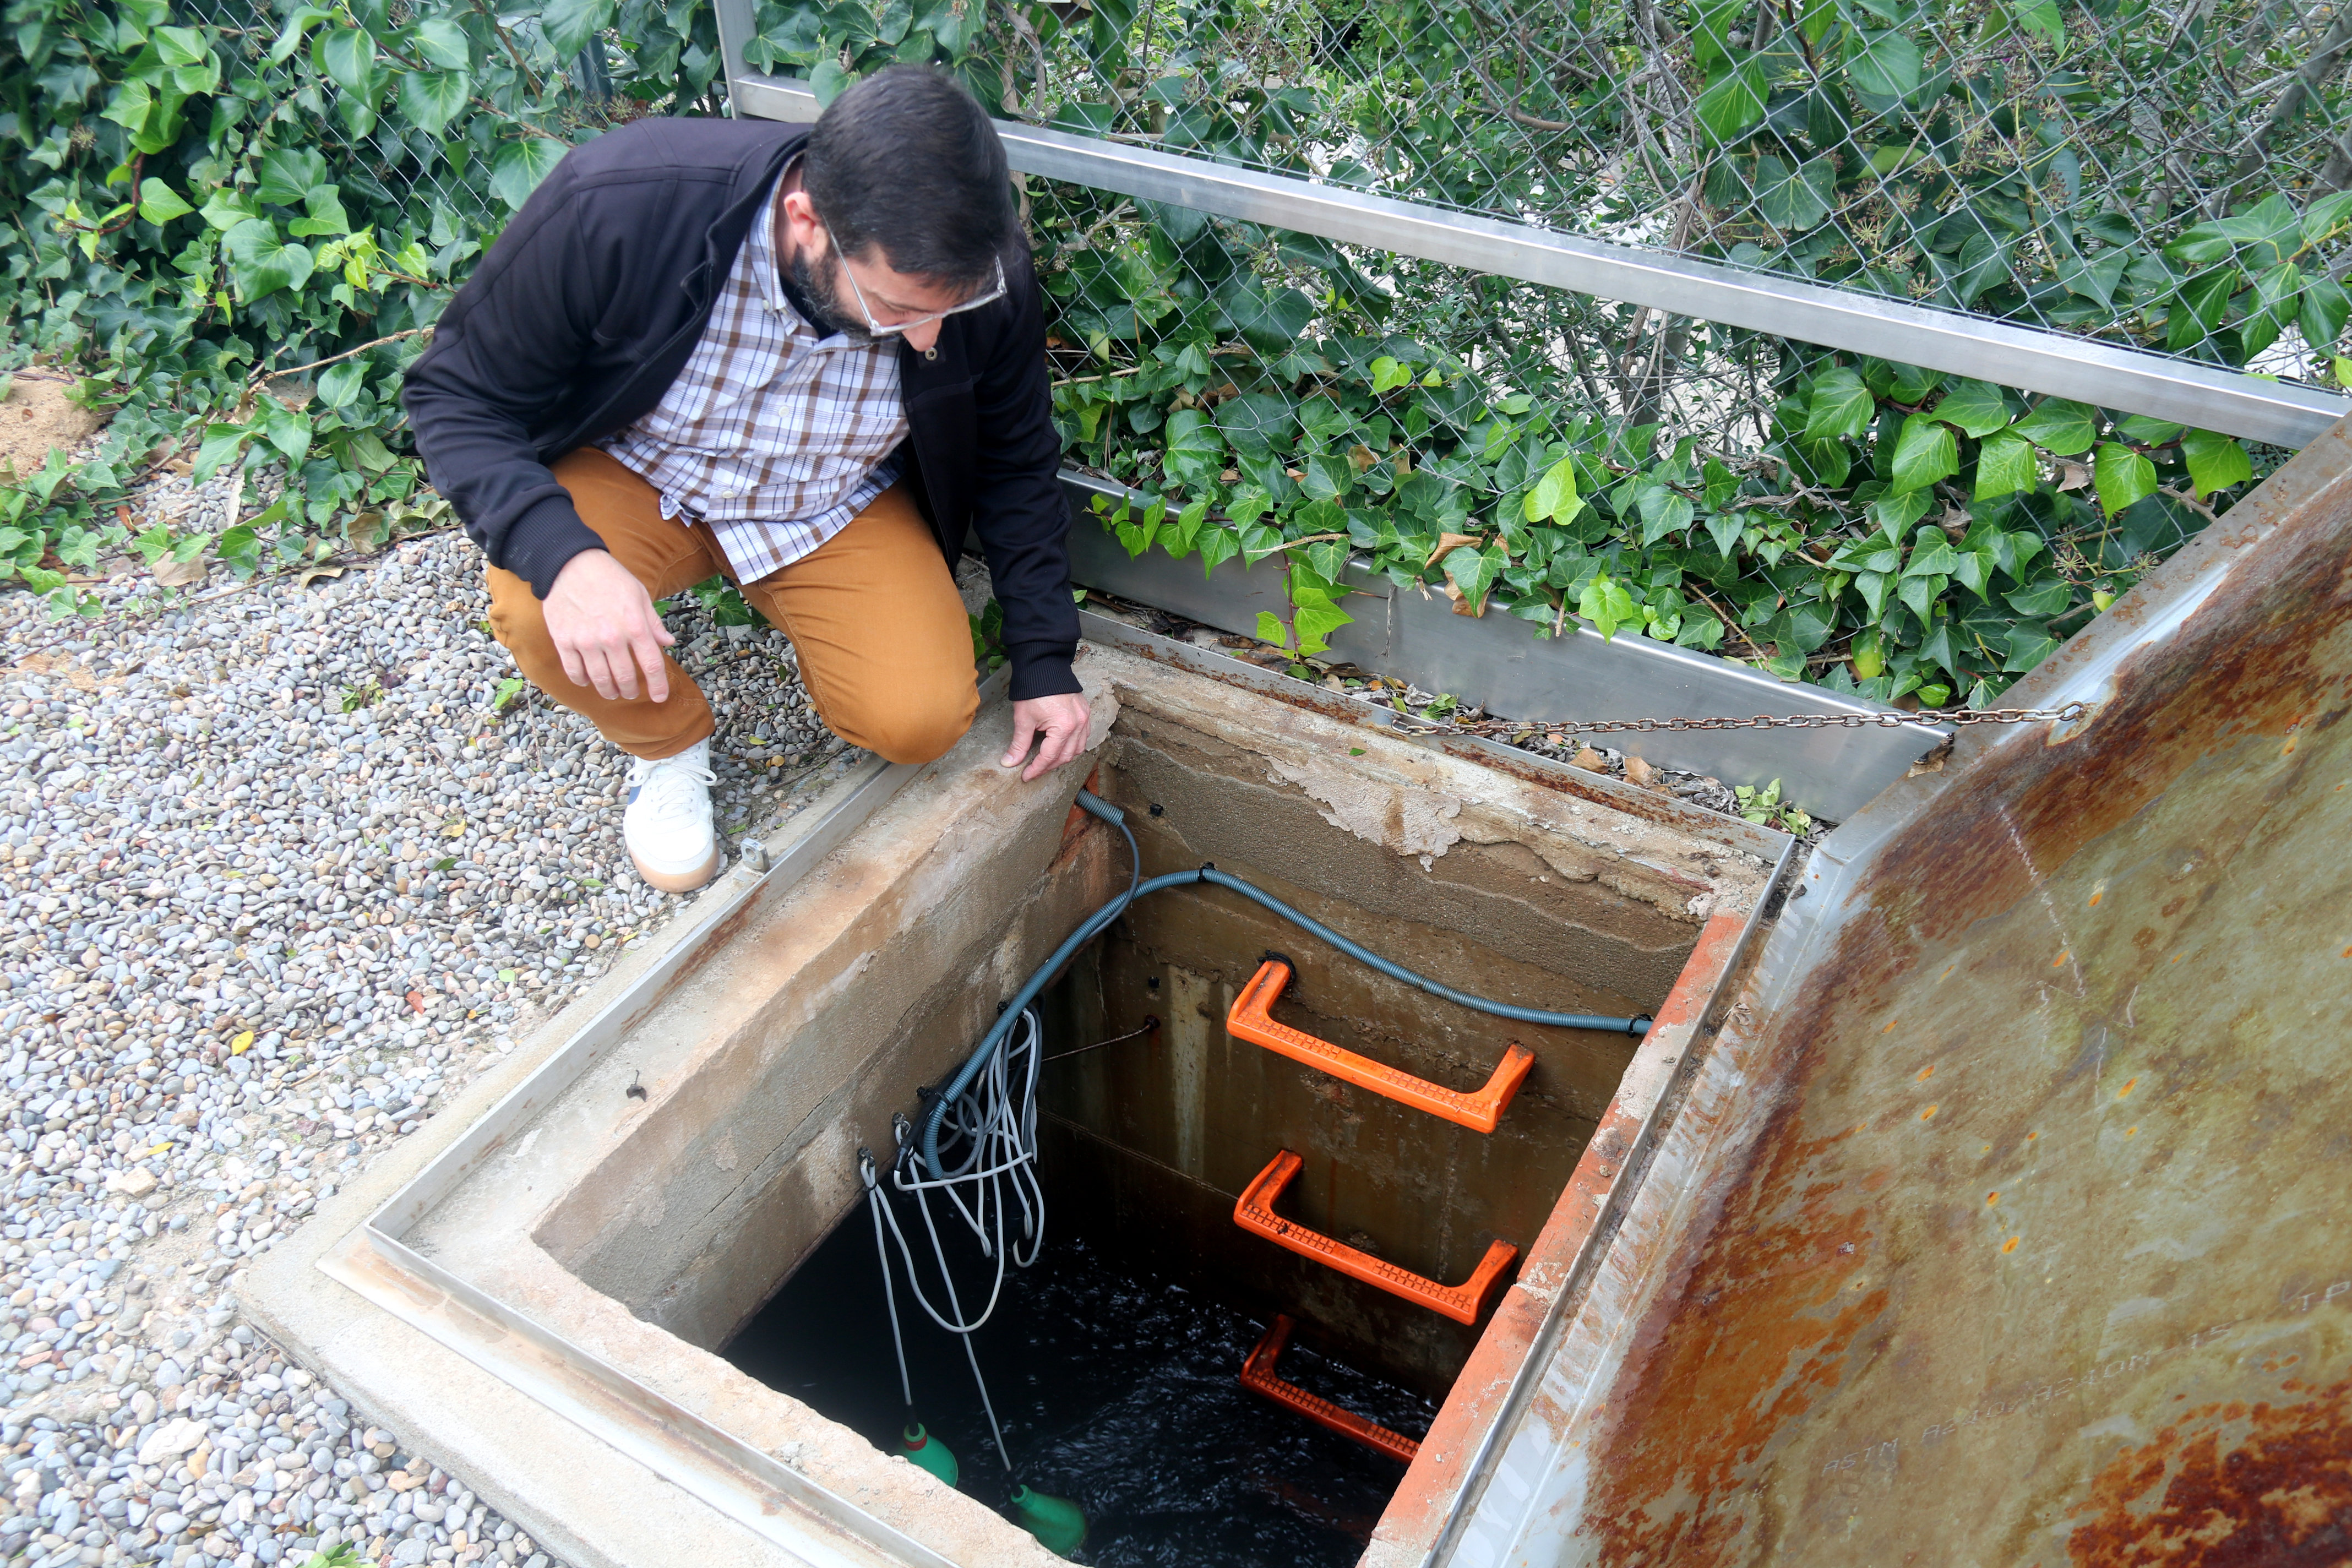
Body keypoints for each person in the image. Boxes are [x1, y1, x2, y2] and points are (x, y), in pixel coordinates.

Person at [404, 66, 1090, 894]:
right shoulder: (625, 198)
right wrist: (569, 560)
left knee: (920, 718)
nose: (930, 336)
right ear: (807, 219)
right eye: (896, 309)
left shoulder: (980, 276)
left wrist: (1046, 659)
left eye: (950, 307)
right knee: (538, 603)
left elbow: (1016, 460)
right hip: (640, 464)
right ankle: (667, 746)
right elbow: (453, 394)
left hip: (827, 500)